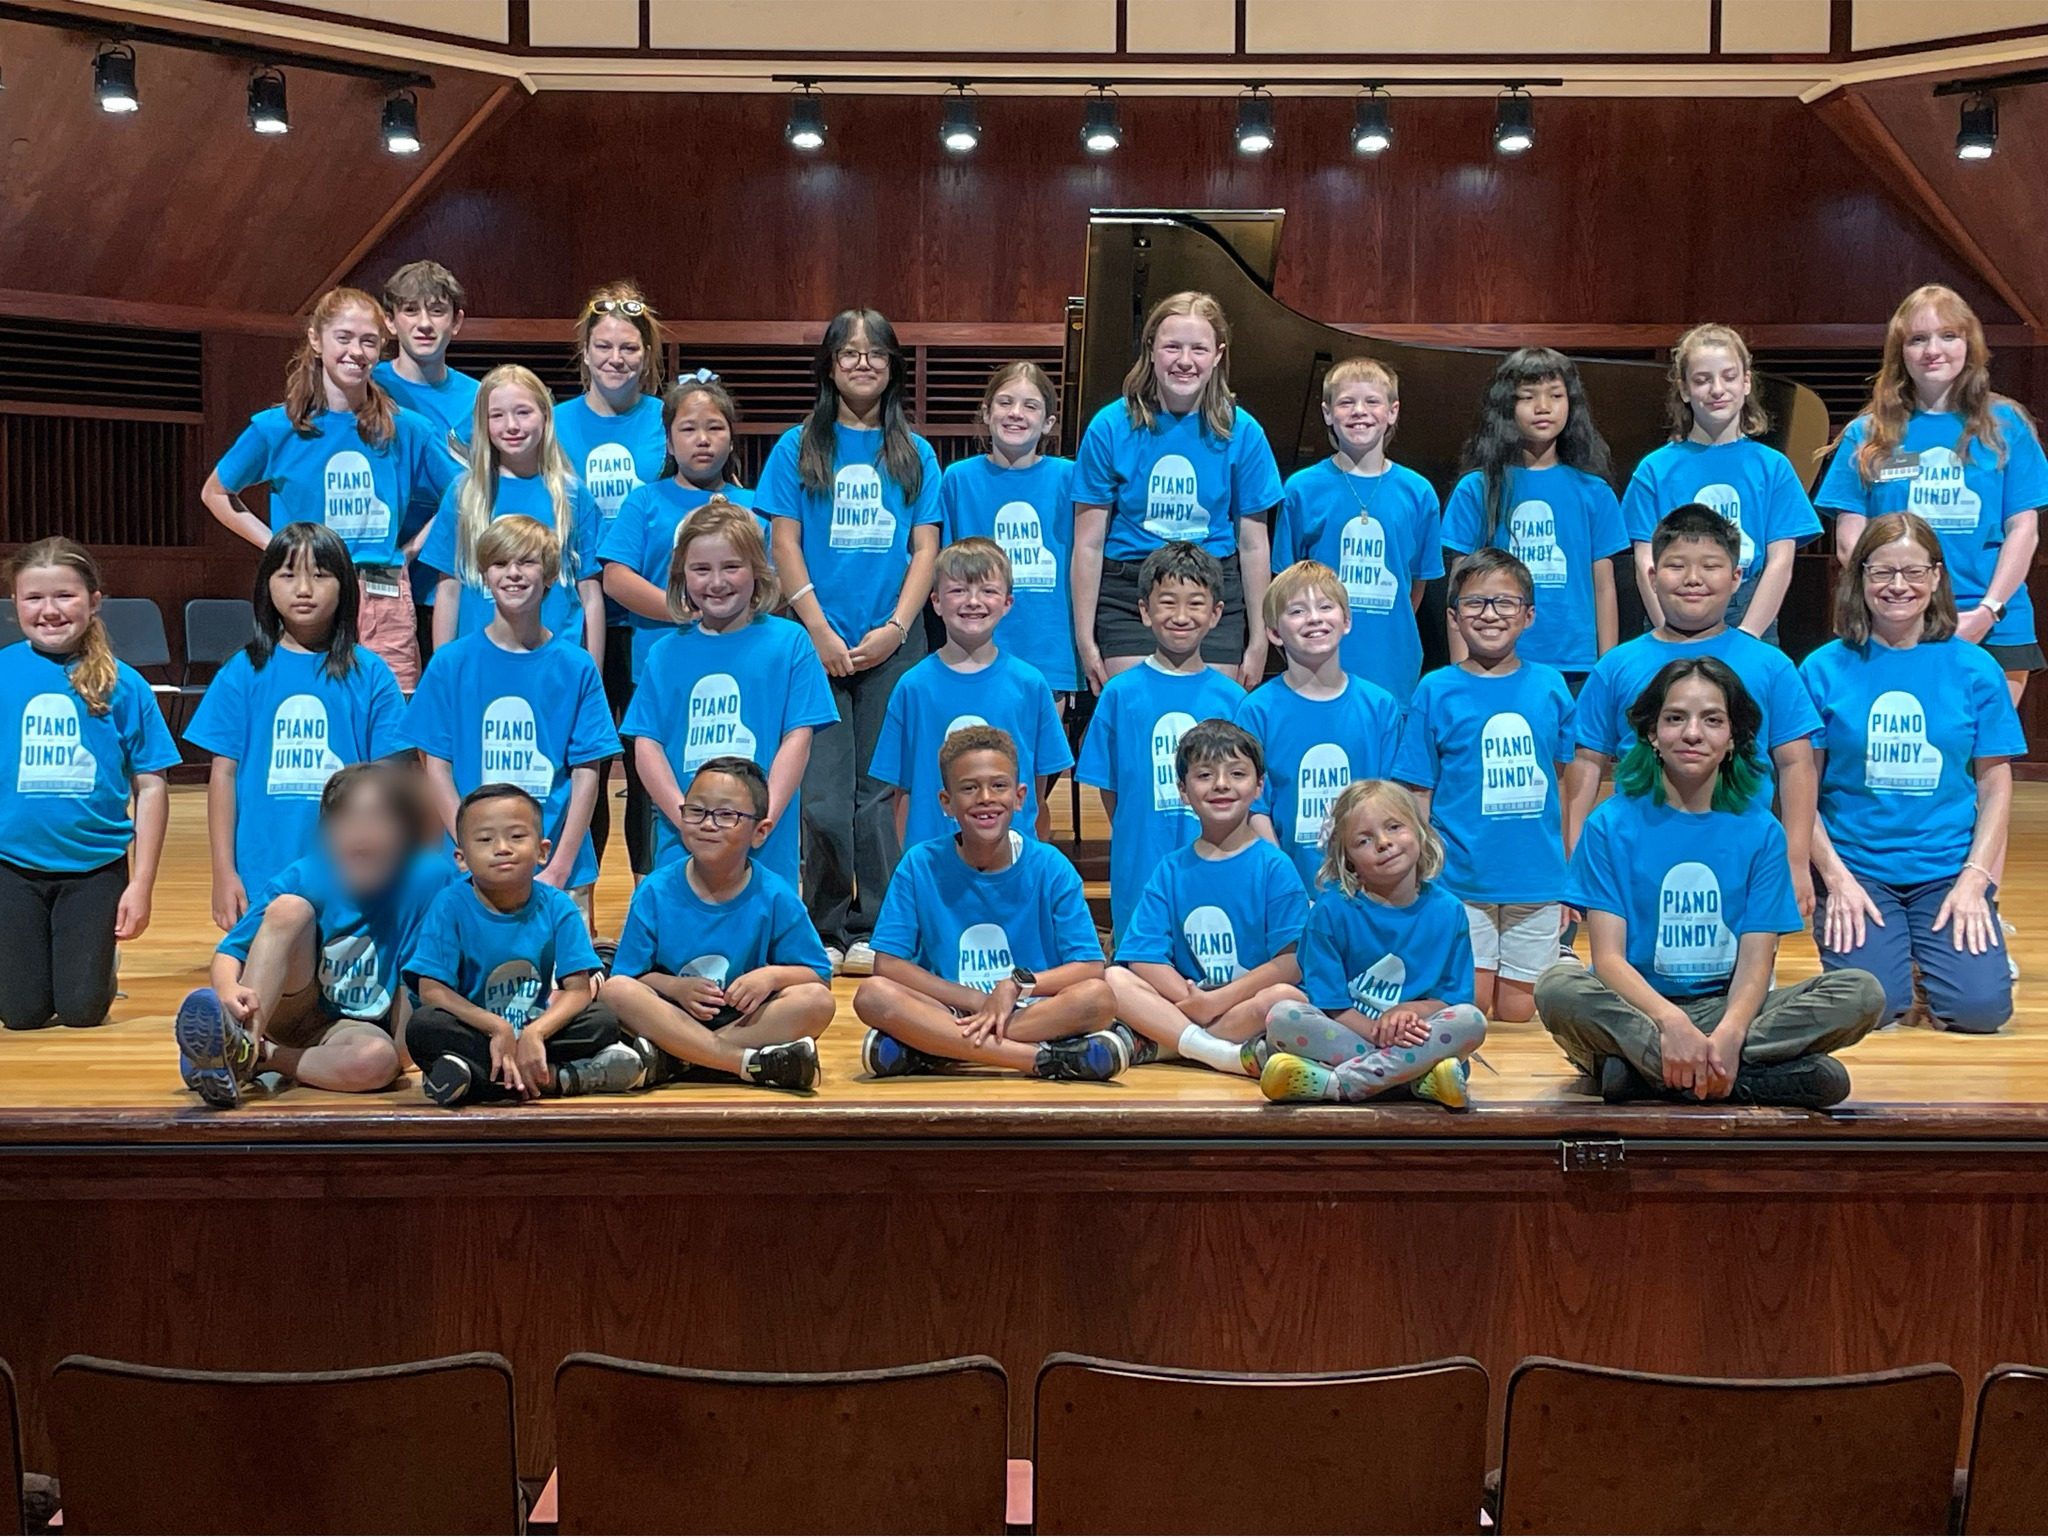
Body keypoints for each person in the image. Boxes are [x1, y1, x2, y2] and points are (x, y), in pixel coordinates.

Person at [1534, 658, 1884, 1109]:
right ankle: (1734, 1076)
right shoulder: (1610, 825)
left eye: (1712, 720)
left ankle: (1642, 1076)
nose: (1693, 733)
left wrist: (1731, 1033)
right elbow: (1608, 961)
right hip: (1639, 1009)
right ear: (1651, 735)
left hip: (1730, 1007)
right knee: (1559, 988)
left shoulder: (1761, 830)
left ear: (1734, 738)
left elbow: (1756, 964)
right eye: (1675, 718)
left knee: (1860, 992)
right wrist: (1671, 1023)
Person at [761, 308, 942, 973]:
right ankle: (827, 920)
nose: (862, 363)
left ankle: (878, 925)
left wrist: (895, 628)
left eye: (875, 353)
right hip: (816, 641)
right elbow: (782, 542)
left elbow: (926, 549)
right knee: (823, 794)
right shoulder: (798, 446)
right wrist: (817, 627)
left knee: (881, 790)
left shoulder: (915, 453)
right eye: (849, 353)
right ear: (829, 366)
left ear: (892, 366)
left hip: (894, 640)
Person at [1804, 513, 2024, 1033]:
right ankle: (1898, 954)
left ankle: (1932, 955)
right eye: (1881, 572)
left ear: (1937, 577)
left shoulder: (1975, 669)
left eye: (1913, 572)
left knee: (1980, 1013)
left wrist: (1976, 880)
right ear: (1859, 578)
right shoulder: (1822, 669)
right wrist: (1836, 880)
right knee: (1875, 1011)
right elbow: (1800, 791)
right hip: (1857, 868)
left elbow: (1995, 785)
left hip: (1946, 871)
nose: (1897, 586)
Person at [1562, 505, 1820, 913]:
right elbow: (1588, 761)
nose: (1693, 579)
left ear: (1737, 577)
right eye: (1676, 566)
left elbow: (1796, 765)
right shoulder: (1617, 665)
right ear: (1652, 576)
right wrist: (1574, 847)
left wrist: (1795, 858)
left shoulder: (1770, 665)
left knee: (1747, 973)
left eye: (1711, 566)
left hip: (1744, 860)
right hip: (1640, 861)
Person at [202, 286, 458, 691]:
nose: (357, 351)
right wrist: (278, 548)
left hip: (382, 588)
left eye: (369, 341)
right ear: (316, 340)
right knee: (309, 701)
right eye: (344, 338)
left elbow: (463, 491)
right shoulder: (276, 428)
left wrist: (411, 550)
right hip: (307, 587)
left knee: (392, 722)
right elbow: (215, 493)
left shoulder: (407, 428)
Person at [1817, 283, 2048, 706]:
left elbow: (2024, 530)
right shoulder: (1866, 435)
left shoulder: (2007, 425)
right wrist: (1898, 611)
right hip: (1890, 623)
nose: (1932, 350)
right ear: (1899, 352)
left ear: (1970, 344)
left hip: (1992, 623)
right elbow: (1852, 542)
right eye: (1918, 339)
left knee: (1979, 758)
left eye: (1948, 336)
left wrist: (1987, 612)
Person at [174, 761, 455, 1108]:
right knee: (289, 909)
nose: (362, 833)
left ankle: (252, 1057)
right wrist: (229, 990)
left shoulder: (427, 877)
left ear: (405, 836)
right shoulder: (306, 875)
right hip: (288, 1006)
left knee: (382, 1061)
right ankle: (241, 1036)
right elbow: (229, 953)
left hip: (355, 1029)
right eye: (347, 821)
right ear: (326, 835)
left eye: (379, 819)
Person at [852, 726, 1126, 1081]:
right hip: (952, 1007)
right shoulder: (920, 864)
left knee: (1098, 998)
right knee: (872, 996)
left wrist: (1014, 985)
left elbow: (1089, 966)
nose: (985, 797)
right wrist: (977, 1002)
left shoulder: (1051, 866)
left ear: (1020, 796)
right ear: (946, 802)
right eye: (968, 788)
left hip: (1028, 1008)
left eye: (999, 786)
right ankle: (1039, 1060)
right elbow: (888, 965)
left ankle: (934, 1047)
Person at [184, 523, 406, 929]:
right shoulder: (243, 671)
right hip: (261, 868)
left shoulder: (371, 674)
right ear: (266, 585)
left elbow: (391, 779)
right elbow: (223, 775)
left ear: (344, 586)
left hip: (348, 866)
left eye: (320, 575)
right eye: (287, 575)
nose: (303, 589)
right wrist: (223, 871)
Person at [401, 517, 619, 928]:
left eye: (527, 562)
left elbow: (588, 772)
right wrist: (471, 853)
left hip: (557, 870)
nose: (513, 573)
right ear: (484, 575)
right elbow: (436, 767)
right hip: (467, 872)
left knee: (565, 990)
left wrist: (559, 867)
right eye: (500, 563)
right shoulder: (451, 663)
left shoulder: (576, 666)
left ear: (551, 575)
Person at [0, 538, 178, 1031]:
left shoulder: (126, 684)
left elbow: (153, 785)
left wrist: (140, 885)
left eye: (65, 596)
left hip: (94, 868)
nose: (50, 610)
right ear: (15, 605)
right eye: (34, 598)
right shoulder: (4, 672)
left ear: (94, 600)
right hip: (10, 865)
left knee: (81, 1012)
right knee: (21, 1014)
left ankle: (94, 963)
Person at [1394, 549, 1575, 1023]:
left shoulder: (1552, 686)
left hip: (1535, 880)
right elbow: (1417, 791)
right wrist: (1423, 869)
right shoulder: (1434, 689)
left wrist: (1569, 873)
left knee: (1518, 1015)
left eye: (1505, 603)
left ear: (1529, 614)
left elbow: (1562, 780)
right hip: (1460, 881)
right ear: (1453, 617)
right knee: (1469, 1008)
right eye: (1475, 604)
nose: (1490, 614)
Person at [1071, 290, 1284, 689]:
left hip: (1213, 587)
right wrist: (1085, 640)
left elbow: (1254, 544)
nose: (1185, 361)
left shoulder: (1244, 431)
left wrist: (1258, 641)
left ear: (1218, 355)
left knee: (1211, 734)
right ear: (1151, 350)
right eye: (1172, 347)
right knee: (1139, 716)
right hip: (1129, 590)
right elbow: (1088, 543)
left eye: (1198, 349)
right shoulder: (1110, 426)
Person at [620, 498, 835, 891]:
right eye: (701, 569)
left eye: (731, 567)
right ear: (681, 575)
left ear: (757, 569)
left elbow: (797, 739)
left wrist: (760, 817)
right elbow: (646, 744)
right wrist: (687, 816)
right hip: (682, 848)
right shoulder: (664, 653)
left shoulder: (790, 643)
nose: (716, 582)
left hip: (764, 849)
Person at [600, 373, 754, 881]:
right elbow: (617, 577)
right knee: (651, 790)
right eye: (689, 429)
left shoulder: (753, 508)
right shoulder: (644, 501)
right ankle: (651, 885)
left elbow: (768, 583)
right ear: (669, 439)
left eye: (714, 427)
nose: (702, 439)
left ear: (732, 436)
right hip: (658, 666)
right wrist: (685, 612)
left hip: (739, 671)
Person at [404, 784, 646, 1106]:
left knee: (601, 1021)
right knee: (424, 1027)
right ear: (461, 858)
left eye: (517, 836)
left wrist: (536, 1033)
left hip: (537, 1029)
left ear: (543, 850)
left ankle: (473, 1079)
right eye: (485, 839)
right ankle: (557, 1080)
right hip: (477, 1030)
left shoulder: (558, 905)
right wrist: (496, 1027)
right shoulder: (449, 904)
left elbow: (577, 990)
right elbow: (431, 991)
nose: (502, 848)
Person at [602, 758, 835, 1092]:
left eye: (727, 815)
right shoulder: (654, 890)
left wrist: (770, 976)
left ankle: (677, 1060)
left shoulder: (775, 895)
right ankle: (742, 1063)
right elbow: (631, 976)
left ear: (760, 831)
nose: (708, 824)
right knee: (616, 991)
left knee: (816, 1002)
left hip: (743, 1018)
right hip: (672, 1013)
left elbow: (817, 975)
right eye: (696, 811)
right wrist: (675, 987)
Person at [1259, 780, 1488, 1108]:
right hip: (1353, 1031)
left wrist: (1409, 1011)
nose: (1384, 843)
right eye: (1364, 840)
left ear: (1420, 832)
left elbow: (1451, 998)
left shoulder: (1449, 910)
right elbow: (1330, 1005)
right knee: (1282, 1017)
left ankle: (1338, 1084)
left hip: (1416, 1034)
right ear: (1347, 857)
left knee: (1471, 1021)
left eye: (1394, 827)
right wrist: (1378, 1031)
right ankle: (1416, 1080)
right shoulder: (1330, 911)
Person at [1106, 719, 1307, 1075]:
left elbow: (1290, 963)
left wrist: (1216, 1001)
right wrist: (1191, 1001)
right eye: (1204, 775)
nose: (1221, 785)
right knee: (1115, 981)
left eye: (1237, 773)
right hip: (1189, 1001)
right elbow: (1143, 957)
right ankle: (1218, 1052)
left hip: (1240, 1004)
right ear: (1183, 790)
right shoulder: (1170, 870)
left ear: (1259, 786)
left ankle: (1168, 1044)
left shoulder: (1275, 867)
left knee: (1285, 1000)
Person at [1073, 542, 1247, 943]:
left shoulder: (1233, 700)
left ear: (1216, 613)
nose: (1181, 617)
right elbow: (1110, 789)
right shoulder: (1120, 695)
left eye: (1195, 604)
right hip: (1141, 866)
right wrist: (1138, 833)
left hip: (1215, 866)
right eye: (1167, 603)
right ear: (1144, 612)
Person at [554, 282, 669, 871]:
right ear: (586, 351)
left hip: (654, 617)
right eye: (604, 346)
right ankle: (583, 904)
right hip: (579, 616)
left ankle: (649, 892)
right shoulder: (555, 422)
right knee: (587, 761)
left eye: (628, 348)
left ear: (645, 355)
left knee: (648, 761)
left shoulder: (665, 420)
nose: (616, 359)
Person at [1441, 347, 1627, 688]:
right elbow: (1459, 588)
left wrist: (1607, 669)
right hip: (1494, 662)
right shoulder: (1476, 489)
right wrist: (1461, 671)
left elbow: (1604, 586)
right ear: (1506, 407)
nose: (1544, 407)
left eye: (1555, 396)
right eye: (1528, 397)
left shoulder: (1594, 491)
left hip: (1575, 666)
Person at [1621, 323, 1819, 642]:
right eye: (1702, 380)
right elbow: (1645, 562)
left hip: (1750, 607)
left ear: (1746, 382)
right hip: (1672, 607)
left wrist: (1748, 637)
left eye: (1728, 377)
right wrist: (1670, 631)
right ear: (1685, 389)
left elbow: (1781, 560)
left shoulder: (1773, 467)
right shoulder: (1654, 469)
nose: (1717, 389)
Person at [872, 537, 1071, 851]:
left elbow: (1036, 789)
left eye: (988, 591)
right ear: (936, 602)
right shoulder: (913, 687)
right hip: (935, 865)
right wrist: (911, 865)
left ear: (1008, 603)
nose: (973, 601)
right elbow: (902, 791)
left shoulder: (1030, 685)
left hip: (1011, 861)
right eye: (958, 590)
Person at [1272, 357, 1443, 700]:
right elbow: (1284, 582)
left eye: (1372, 402)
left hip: (1391, 662)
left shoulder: (1418, 491)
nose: (1359, 411)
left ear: (1392, 412)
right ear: (1327, 412)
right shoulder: (1302, 488)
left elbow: (1416, 585)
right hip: (1320, 661)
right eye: (1346, 402)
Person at [1232, 560, 1403, 890]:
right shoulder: (1256, 711)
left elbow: (1390, 801)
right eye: (1297, 611)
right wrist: (1287, 885)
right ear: (1273, 632)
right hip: (1287, 888)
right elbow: (1254, 808)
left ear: (1347, 620)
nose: (1314, 618)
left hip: (1367, 887)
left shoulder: (1380, 706)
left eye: (1326, 607)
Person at [421, 364, 603, 658]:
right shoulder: (464, 494)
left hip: (556, 659)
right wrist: (444, 672)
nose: (512, 426)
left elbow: (590, 595)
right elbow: (449, 589)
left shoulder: (571, 494)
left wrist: (592, 675)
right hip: (480, 659)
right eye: (497, 415)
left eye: (523, 412)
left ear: (545, 416)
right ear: (483, 423)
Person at [937, 361, 1080, 696]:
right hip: (974, 648)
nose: (1016, 413)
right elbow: (943, 570)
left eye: (1030, 406)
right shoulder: (958, 479)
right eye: (1005, 402)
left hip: (1049, 650)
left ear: (1048, 423)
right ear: (987, 413)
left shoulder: (1070, 478)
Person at [373, 259, 480, 451]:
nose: (424, 324)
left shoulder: (480, 399)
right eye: (411, 310)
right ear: (389, 321)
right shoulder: (366, 387)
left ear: (456, 322)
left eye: (437, 311)